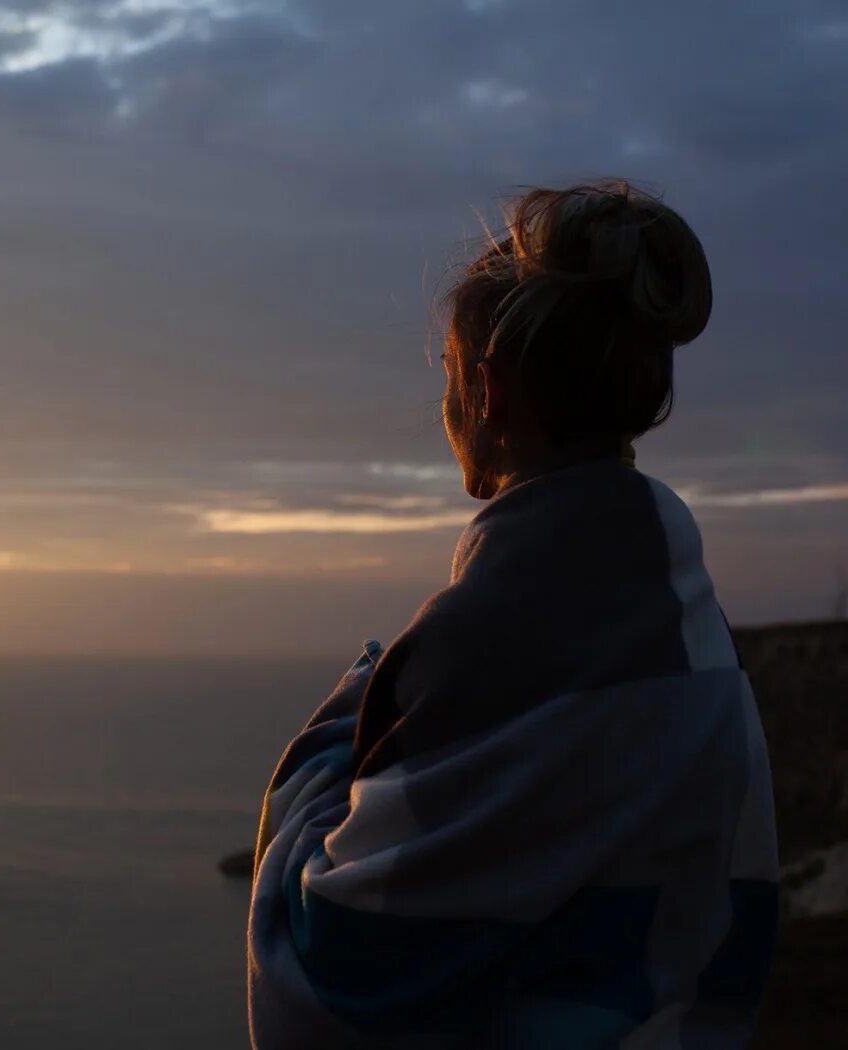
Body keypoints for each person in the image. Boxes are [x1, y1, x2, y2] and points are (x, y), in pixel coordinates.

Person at [247, 181, 779, 1049]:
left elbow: (331, 979)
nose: (449, 408)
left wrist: (347, 719)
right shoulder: (690, 623)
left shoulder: (491, 644)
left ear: (489, 393)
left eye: (451, 377)